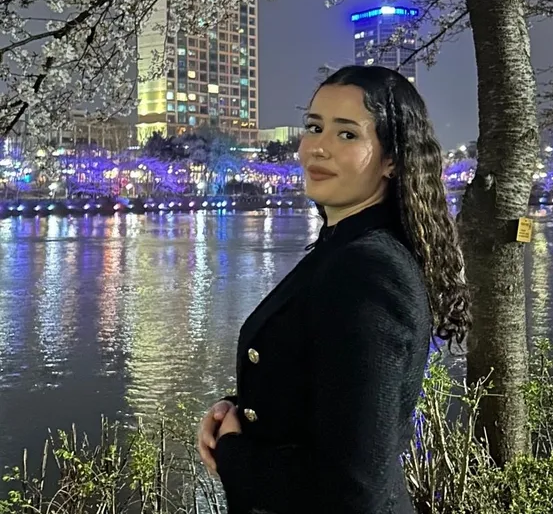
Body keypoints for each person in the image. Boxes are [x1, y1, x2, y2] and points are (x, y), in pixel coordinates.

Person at [197, 65, 470, 514]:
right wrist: (242, 411)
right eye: (314, 127)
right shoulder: (345, 248)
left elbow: (353, 487)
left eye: (347, 134)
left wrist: (234, 455)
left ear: (392, 159)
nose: (318, 147)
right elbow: (330, 390)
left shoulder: (368, 269)